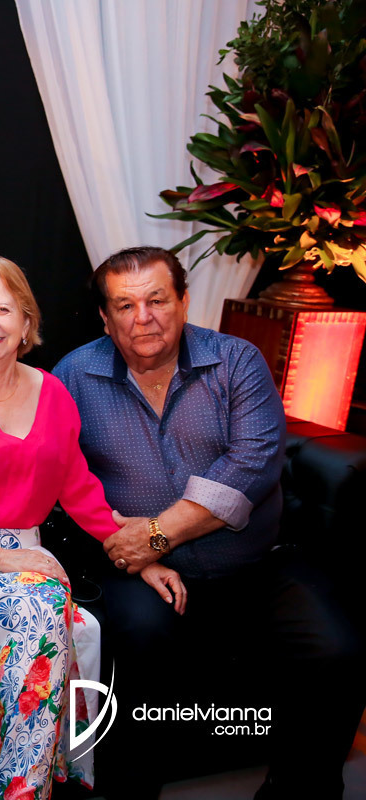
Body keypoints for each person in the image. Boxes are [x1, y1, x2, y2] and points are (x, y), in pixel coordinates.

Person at [53, 245, 364, 799]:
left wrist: (154, 535)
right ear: (104, 317)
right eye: (125, 306)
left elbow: (252, 464)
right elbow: (59, 475)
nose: (143, 318)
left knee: (337, 648)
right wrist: (130, 549)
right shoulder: (73, 377)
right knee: (138, 638)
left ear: (184, 301)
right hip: (140, 575)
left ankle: (299, 789)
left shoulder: (236, 361)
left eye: (156, 300)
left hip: (255, 565)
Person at [0, 256, 185, 800]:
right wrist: (12, 559)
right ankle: (19, 790)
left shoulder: (53, 394)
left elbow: (78, 488)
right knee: (42, 605)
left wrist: (138, 556)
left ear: (26, 321)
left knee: (49, 605)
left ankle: (24, 783)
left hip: (23, 557)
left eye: (3, 310)